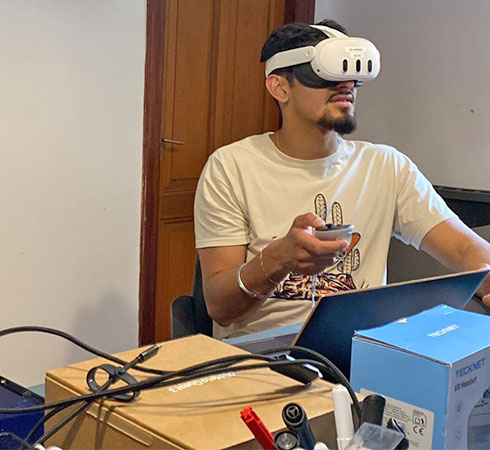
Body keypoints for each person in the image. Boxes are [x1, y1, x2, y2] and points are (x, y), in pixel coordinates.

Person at [194, 20, 490, 339]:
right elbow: (219, 307)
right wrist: (278, 259)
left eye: (350, 77)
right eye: (325, 74)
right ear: (279, 87)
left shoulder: (386, 166)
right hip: (267, 358)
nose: (346, 84)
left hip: (364, 352)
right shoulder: (231, 167)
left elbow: (463, 248)